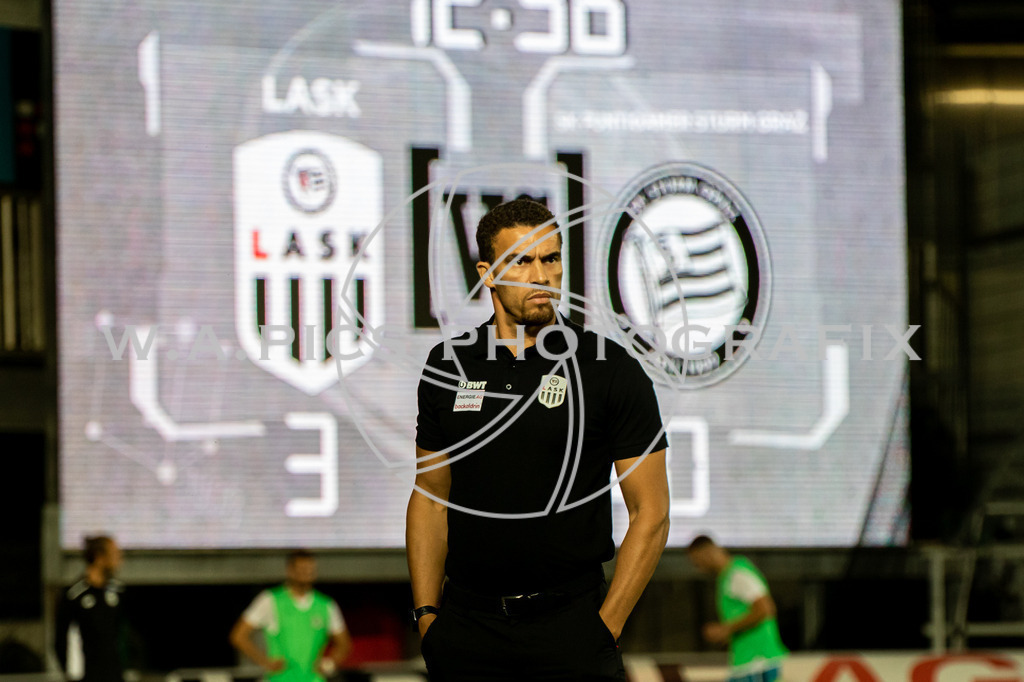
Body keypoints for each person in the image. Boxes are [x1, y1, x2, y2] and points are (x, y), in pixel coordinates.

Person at [408, 197, 671, 681]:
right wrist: (427, 617)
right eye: (522, 261)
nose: (541, 275)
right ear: (488, 273)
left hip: (572, 630)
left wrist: (604, 628)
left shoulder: (608, 369)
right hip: (467, 631)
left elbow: (650, 514)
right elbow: (430, 499)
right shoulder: (447, 366)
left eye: (550, 258)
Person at [230, 550, 352, 682]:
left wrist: (330, 663)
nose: (306, 574)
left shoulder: (326, 605)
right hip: (281, 679)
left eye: (310, 570)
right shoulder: (270, 600)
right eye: (302, 569)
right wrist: (264, 662)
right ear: (290, 570)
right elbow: (239, 636)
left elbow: (344, 643)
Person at [686, 535, 788, 682]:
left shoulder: (737, 574)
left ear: (706, 553)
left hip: (757, 662)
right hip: (748, 661)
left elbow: (765, 608)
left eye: (697, 562)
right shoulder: (726, 576)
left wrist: (727, 629)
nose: (699, 568)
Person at [54, 535, 128, 682]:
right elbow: (61, 641)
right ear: (99, 557)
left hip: (114, 675)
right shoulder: (74, 595)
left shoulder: (118, 592)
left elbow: (122, 636)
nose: (119, 559)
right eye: (114, 554)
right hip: (86, 676)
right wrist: (71, 674)